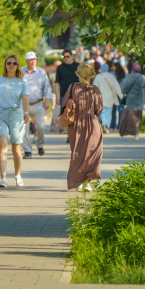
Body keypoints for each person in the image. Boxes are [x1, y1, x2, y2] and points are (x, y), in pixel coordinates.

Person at [0, 54, 30, 188]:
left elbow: (24, 99)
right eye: (8, 63)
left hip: (17, 115)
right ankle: (3, 178)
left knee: (16, 149)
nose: (11, 65)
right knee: (2, 146)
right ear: (5, 65)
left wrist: (26, 113)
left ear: (18, 65)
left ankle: (17, 175)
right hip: (2, 114)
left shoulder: (22, 81)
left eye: (14, 63)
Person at [62, 63, 103, 191]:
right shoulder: (95, 89)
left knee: (77, 152)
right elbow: (99, 109)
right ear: (92, 75)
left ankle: (79, 182)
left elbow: (64, 104)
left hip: (76, 124)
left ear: (79, 74)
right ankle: (87, 182)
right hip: (92, 122)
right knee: (93, 152)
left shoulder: (72, 87)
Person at [21, 51, 52, 159]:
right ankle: (27, 151)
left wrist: (47, 100)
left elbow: (47, 87)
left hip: (38, 104)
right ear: (26, 61)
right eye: (30, 60)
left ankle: (39, 145)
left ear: (36, 60)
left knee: (41, 127)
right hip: (24, 105)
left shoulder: (41, 72)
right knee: (24, 128)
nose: (32, 61)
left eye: (34, 59)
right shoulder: (20, 72)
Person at [119, 61, 145, 140]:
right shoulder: (142, 77)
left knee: (132, 117)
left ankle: (135, 132)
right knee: (138, 116)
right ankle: (137, 131)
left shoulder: (129, 77)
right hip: (140, 100)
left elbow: (123, 89)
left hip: (131, 100)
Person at [93, 62, 123, 133]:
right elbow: (117, 88)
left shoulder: (98, 76)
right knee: (108, 113)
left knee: (102, 112)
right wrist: (121, 96)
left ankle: (102, 125)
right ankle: (106, 126)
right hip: (110, 98)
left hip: (101, 97)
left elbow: (94, 87)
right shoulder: (112, 76)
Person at [109, 62, 127, 131]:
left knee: (113, 110)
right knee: (121, 110)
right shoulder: (124, 75)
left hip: (114, 94)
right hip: (121, 94)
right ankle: (119, 126)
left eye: (113, 66)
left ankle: (112, 126)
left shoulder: (112, 74)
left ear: (116, 67)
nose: (112, 68)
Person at [50, 61, 66, 133]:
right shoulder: (51, 74)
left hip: (62, 92)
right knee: (55, 109)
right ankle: (55, 125)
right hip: (53, 92)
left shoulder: (63, 72)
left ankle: (62, 126)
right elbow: (49, 84)